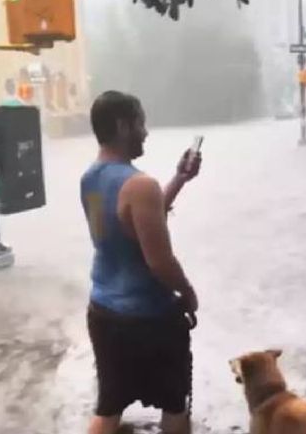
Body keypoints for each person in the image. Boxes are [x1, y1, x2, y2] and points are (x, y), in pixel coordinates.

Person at [81, 91, 202, 434]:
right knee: (175, 406)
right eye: (141, 123)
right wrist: (188, 293)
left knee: (109, 409)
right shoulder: (141, 185)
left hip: (104, 314)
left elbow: (128, 225)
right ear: (123, 126)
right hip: (150, 321)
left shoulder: (90, 178)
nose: (146, 132)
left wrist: (179, 179)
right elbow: (159, 261)